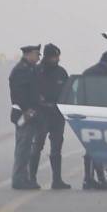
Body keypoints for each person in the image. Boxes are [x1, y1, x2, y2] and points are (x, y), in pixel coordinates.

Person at [30, 43, 71, 189]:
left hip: (57, 115)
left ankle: (57, 180)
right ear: (47, 57)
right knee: (37, 145)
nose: (57, 59)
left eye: (58, 56)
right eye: (55, 56)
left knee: (56, 147)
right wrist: (41, 104)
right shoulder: (36, 71)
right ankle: (31, 179)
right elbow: (31, 92)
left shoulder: (61, 72)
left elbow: (68, 92)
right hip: (41, 115)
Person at [80, 52, 107, 189]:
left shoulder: (88, 73)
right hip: (99, 116)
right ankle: (91, 179)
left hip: (88, 115)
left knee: (93, 148)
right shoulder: (103, 76)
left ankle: (94, 179)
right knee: (95, 149)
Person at [9, 44, 42, 190]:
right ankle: (19, 180)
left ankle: (24, 178)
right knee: (23, 148)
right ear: (28, 54)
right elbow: (18, 94)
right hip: (23, 114)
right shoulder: (21, 71)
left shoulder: (31, 69)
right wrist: (27, 109)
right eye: (36, 54)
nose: (38, 57)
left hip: (31, 113)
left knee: (26, 148)